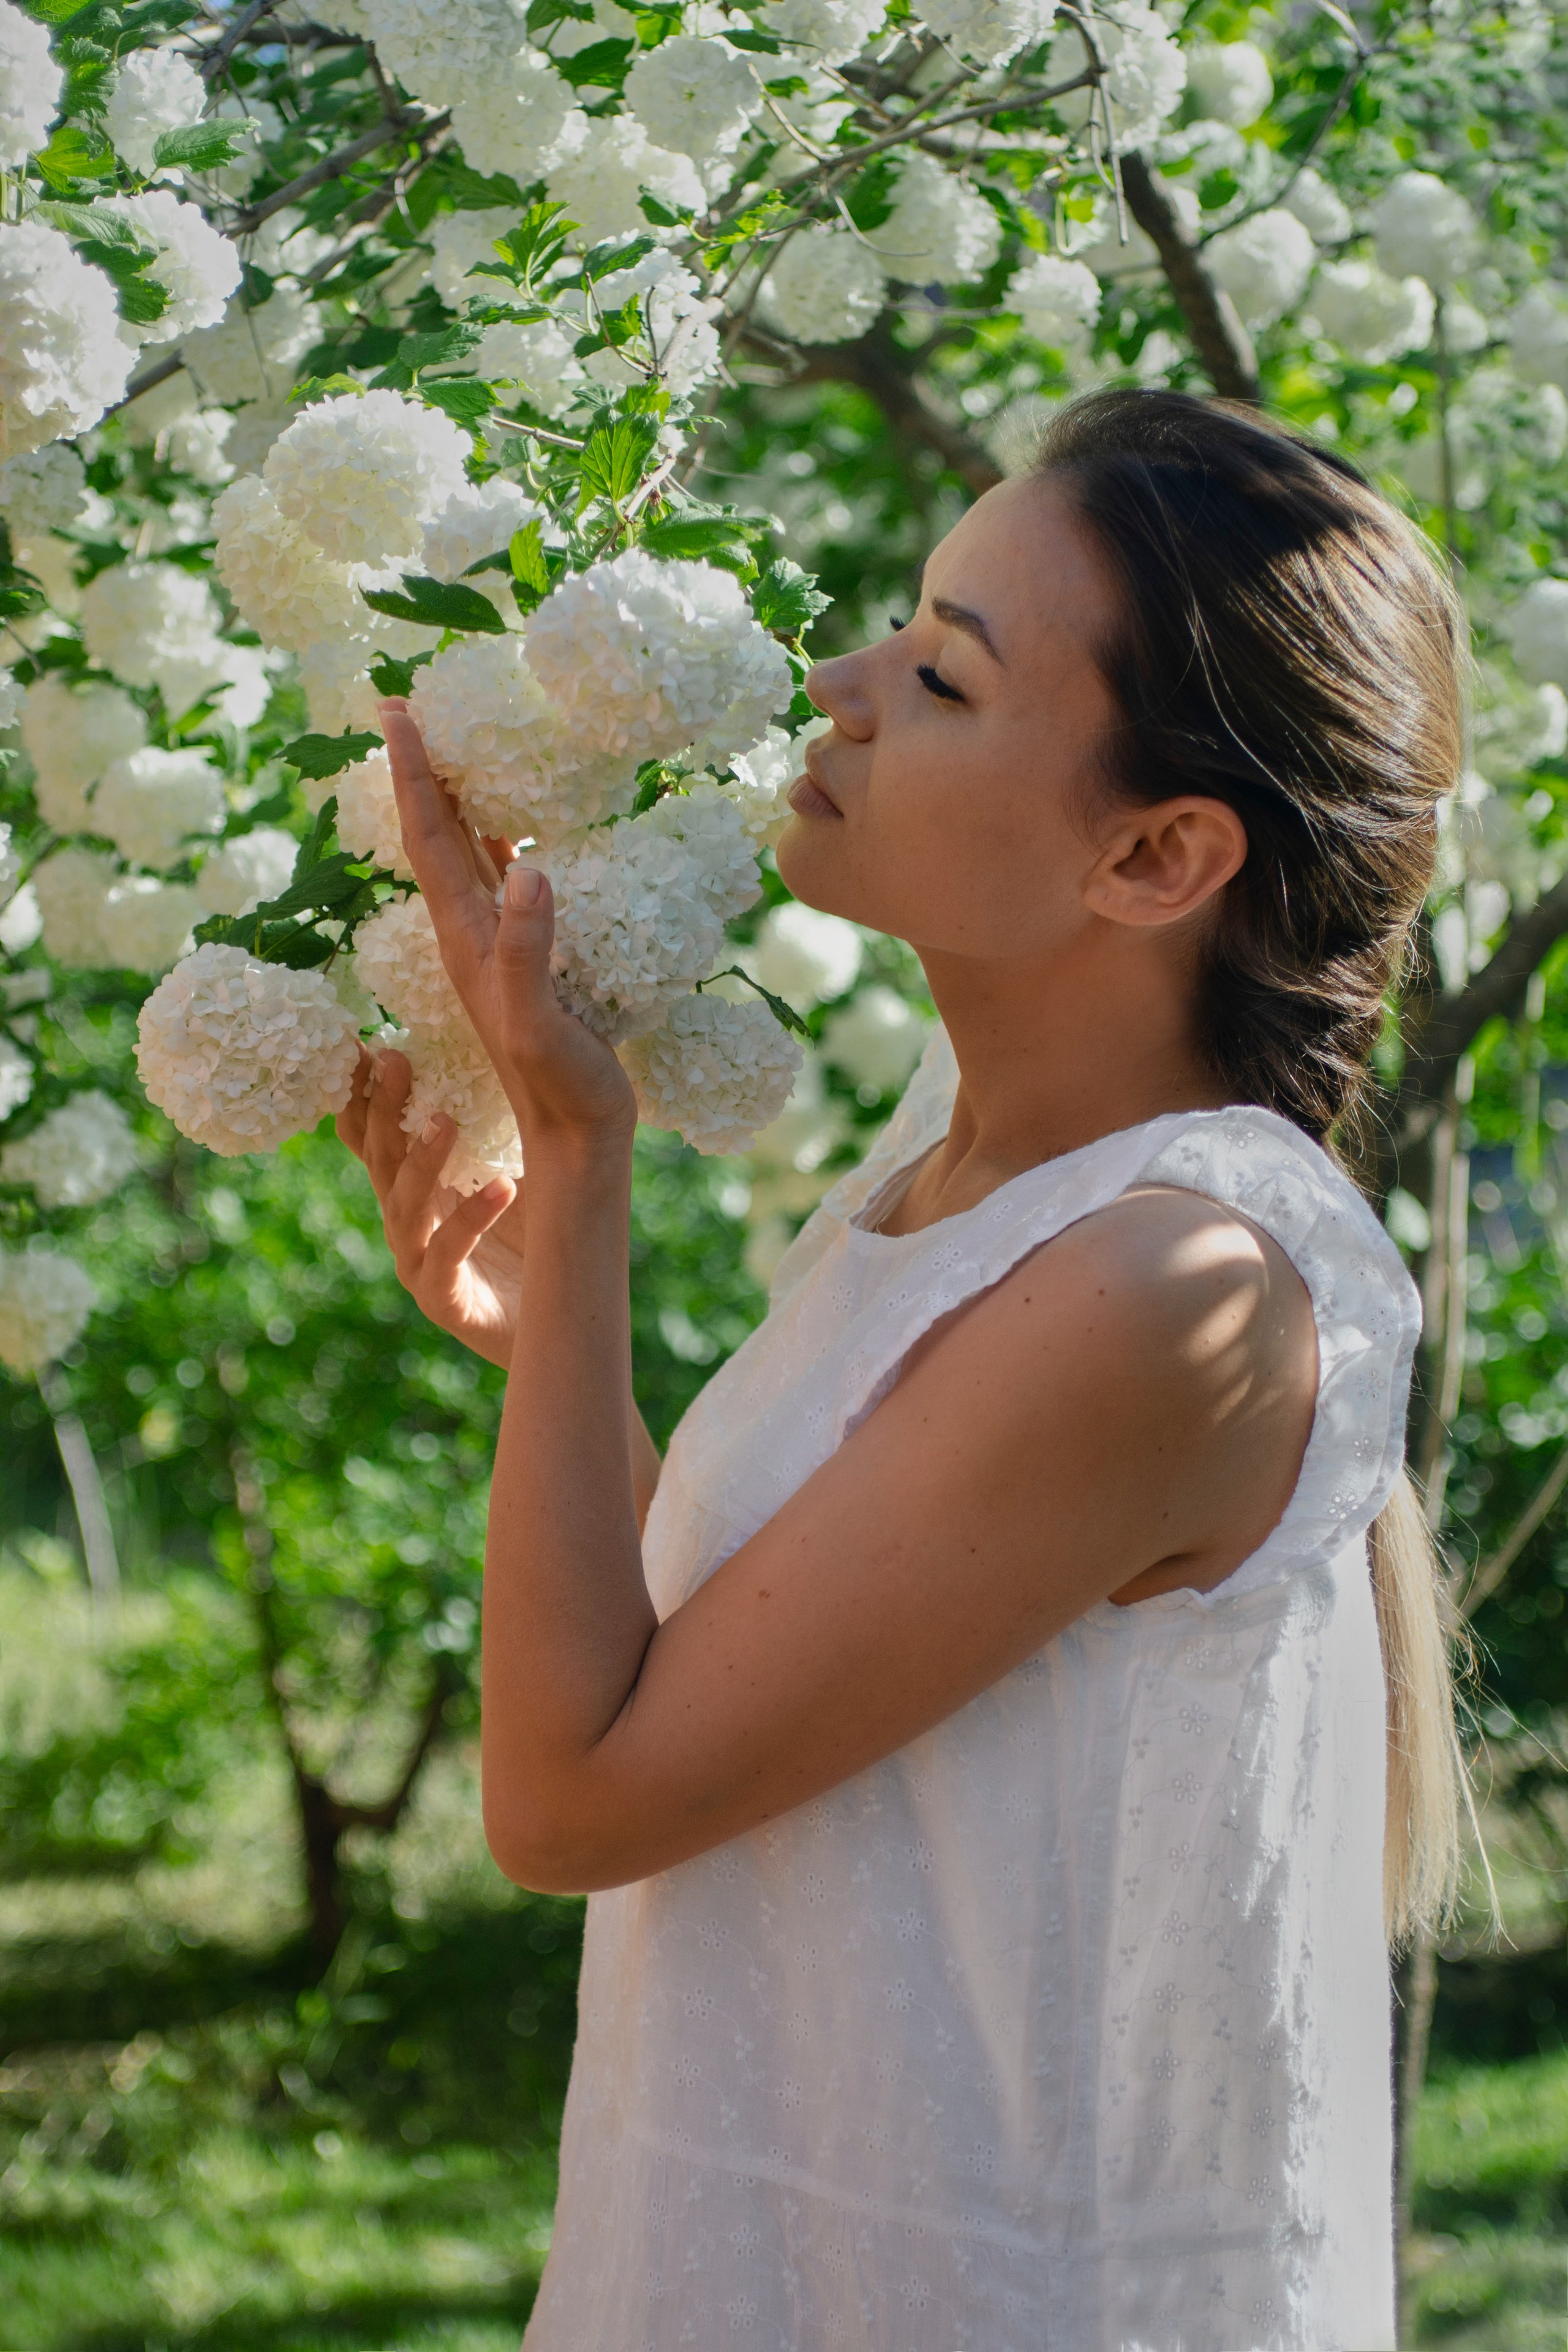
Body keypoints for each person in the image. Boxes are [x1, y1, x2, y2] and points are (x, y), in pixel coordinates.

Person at [337, 387, 1468, 2350]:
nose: (843, 683)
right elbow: (704, 1682)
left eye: (943, 674)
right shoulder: (945, 1188)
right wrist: (547, 1342)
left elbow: (568, 1802)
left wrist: (589, 1169)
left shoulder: (1170, 1283)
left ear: (1156, 854)